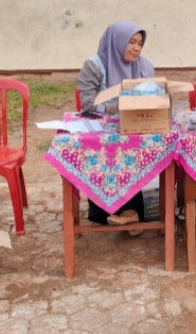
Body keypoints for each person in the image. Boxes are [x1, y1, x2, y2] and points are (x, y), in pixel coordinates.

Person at [77, 20, 155, 232]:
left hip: (135, 129)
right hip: (102, 131)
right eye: (131, 42)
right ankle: (126, 212)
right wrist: (115, 107)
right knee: (110, 150)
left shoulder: (144, 66)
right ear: (118, 41)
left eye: (140, 43)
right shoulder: (94, 66)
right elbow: (88, 104)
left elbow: (153, 97)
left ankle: (129, 212)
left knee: (133, 148)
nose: (136, 48)